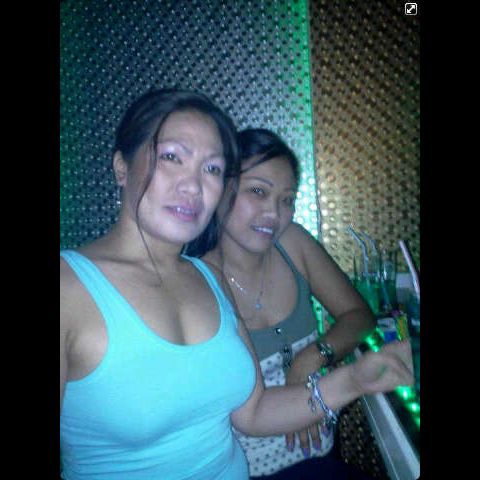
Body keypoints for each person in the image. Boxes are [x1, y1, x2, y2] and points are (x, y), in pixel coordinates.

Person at [60, 89, 413, 480]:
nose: (193, 185)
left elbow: (254, 412)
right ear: (121, 167)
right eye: (172, 157)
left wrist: (357, 379)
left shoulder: (207, 278)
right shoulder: (68, 289)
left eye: (212, 169)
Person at [198, 128, 378, 478]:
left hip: (321, 456)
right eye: (258, 191)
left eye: (287, 199)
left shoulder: (292, 242)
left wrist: (309, 359)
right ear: (221, 190)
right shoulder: (199, 279)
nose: (274, 212)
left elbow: (360, 316)